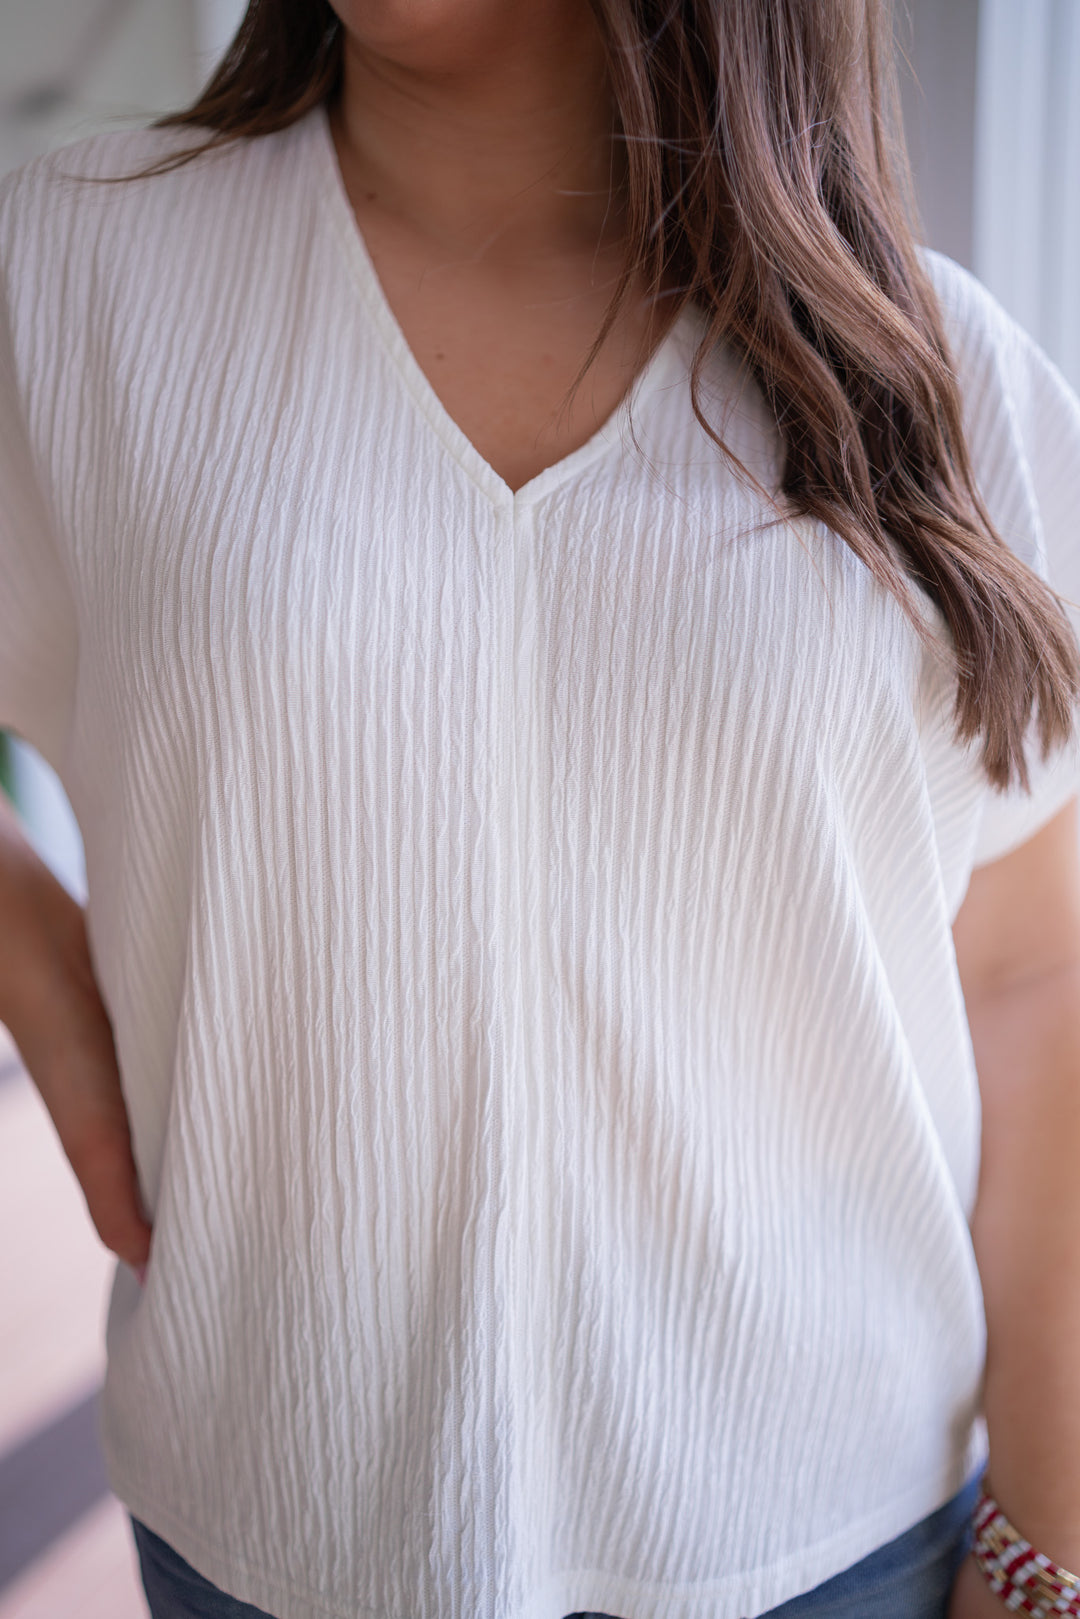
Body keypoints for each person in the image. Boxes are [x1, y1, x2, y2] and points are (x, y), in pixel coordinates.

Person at [1, 0, 1080, 1615]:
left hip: (843, 1547)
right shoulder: (68, 276)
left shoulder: (947, 384)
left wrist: (1053, 1550)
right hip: (271, 1531)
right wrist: (36, 971)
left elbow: (1030, 974)